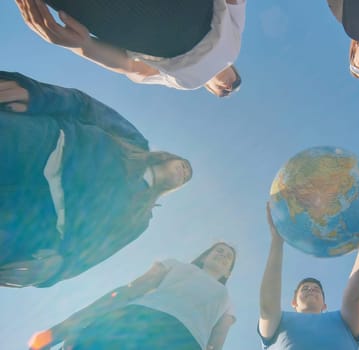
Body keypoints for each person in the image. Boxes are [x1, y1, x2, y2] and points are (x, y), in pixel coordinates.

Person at [0, 71, 192, 288]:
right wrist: (38, 95)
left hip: (36, 223)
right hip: (43, 146)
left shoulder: (140, 218)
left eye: (186, 177)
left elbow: (98, 251)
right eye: (184, 166)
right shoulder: (136, 142)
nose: (184, 173)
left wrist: (59, 268)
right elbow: (86, 107)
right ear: (170, 158)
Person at [28, 242, 237, 350]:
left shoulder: (226, 299)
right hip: (138, 320)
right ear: (204, 256)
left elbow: (216, 344)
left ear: (228, 273)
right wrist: (68, 327)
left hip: (186, 342)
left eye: (228, 257)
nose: (223, 256)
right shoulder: (176, 265)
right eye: (218, 250)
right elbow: (130, 289)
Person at [15, 0, 245, 97]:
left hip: (130, 28)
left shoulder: (184, 82)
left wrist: (83, 46)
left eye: (225, 92)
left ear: (209, 90)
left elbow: (133, 68)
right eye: (235, 82)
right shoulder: (232, 46)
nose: (228, 86)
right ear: (234, 68)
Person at [258, 204, 359, 349]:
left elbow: (354, 297)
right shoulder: (279, 321)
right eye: (305, 288)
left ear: (324, 305)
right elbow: (267, 305)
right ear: (293, 302)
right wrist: (276, 242)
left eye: (316, 289)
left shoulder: (342, 320)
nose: (311, 289)